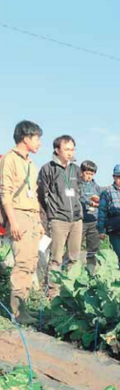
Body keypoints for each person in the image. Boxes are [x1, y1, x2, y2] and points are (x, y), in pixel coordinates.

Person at [0, 120, 44, 324]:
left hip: (31, 216)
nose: (39, 143)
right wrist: (13, 221)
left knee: (31, 262)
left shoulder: (30, 164)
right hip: (17, 214)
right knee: (22, 263)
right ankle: (17, 312)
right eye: (37, 138)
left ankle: (24, 308)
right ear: (26, 138)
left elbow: (33, 195)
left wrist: (38, 221)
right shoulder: (10, 159)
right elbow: (5, 192)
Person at [37, 135, 82, 297]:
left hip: (76, 220)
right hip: (58, 220)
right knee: (56, 259)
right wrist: (52, 211)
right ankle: (53, 293)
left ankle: (70, 292)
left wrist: (79, 210)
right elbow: (42, 194)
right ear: (57, 150)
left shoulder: (76, 169)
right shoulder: (48, 169)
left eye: (72, 149)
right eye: (67, 149)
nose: (70, 152)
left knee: (74, 257)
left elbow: (79, 191)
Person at [97, 164, 120, 271]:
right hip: (116, 231)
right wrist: (101, 230)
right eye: (118, 177)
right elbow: (102, 212)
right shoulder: (107, 192)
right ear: (114, 177)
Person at [80, 160, 103, 271]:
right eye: (87, 173)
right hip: (80, 221)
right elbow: (79, 198)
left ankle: (90, 274)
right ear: (82, 172)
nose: (89, 176)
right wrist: (89, 202)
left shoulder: (97, 187)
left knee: (93, 250)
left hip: (94, 221)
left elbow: (102, 203)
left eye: (91, 174)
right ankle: (69, 273)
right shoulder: (77, 185)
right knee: (73, 250)